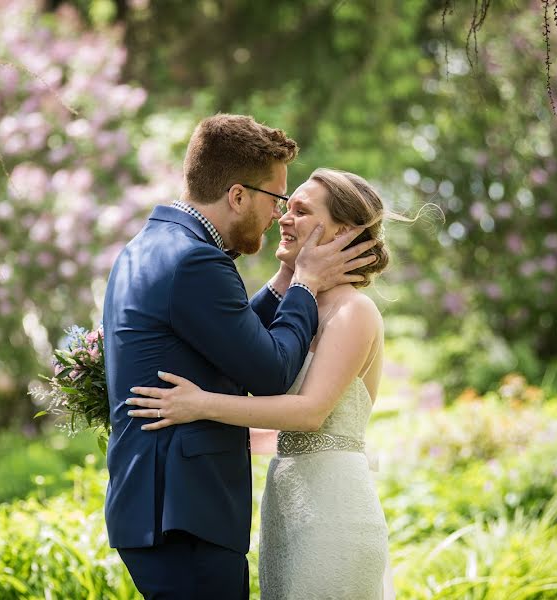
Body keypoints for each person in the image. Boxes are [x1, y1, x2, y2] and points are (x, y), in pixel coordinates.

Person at [102, 116, 379, 599]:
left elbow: (233, 339)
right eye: (277, 200)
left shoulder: (148, 247)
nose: (279, 217)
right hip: (184, 512)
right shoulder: (196, 260)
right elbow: (269, 371)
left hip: (165, 509)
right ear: (237, 195)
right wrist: (306, 285)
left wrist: (286, 284)